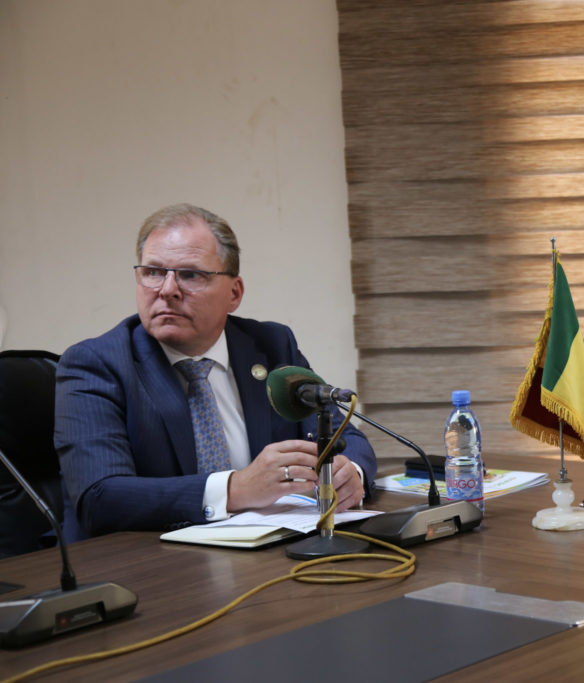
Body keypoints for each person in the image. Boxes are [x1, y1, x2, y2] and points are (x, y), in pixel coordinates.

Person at [55, 204, 376, 540]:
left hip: (264, 552)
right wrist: (235, 489)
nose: (167, 290)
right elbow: (99, 499)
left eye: (190, 274)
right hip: (143, 566)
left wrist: (349, 472)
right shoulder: (95, 364)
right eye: (152, 272)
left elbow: (345, 438)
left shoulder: (270, 345)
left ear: (234, 293)